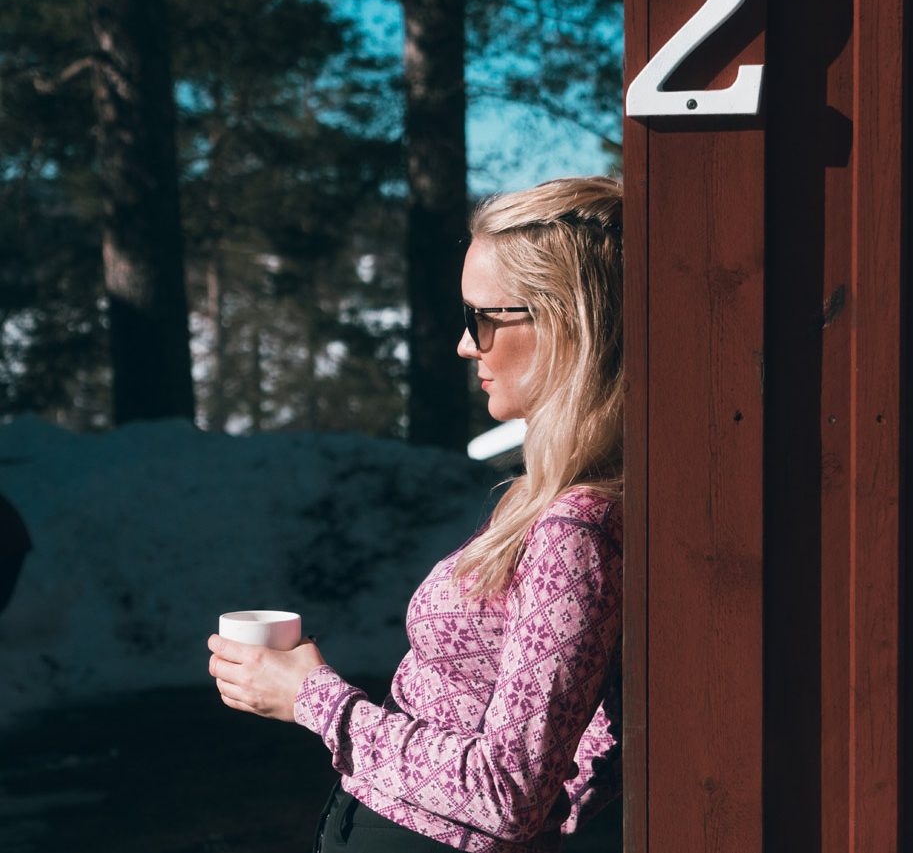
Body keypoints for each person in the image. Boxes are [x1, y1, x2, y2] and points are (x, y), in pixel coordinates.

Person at [208, 176, 624, 853]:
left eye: (482, 317)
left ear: (564, 323)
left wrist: (314, 698)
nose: (465, 344)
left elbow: (509, 791)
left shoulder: (577, 528)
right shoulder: (546, 499)